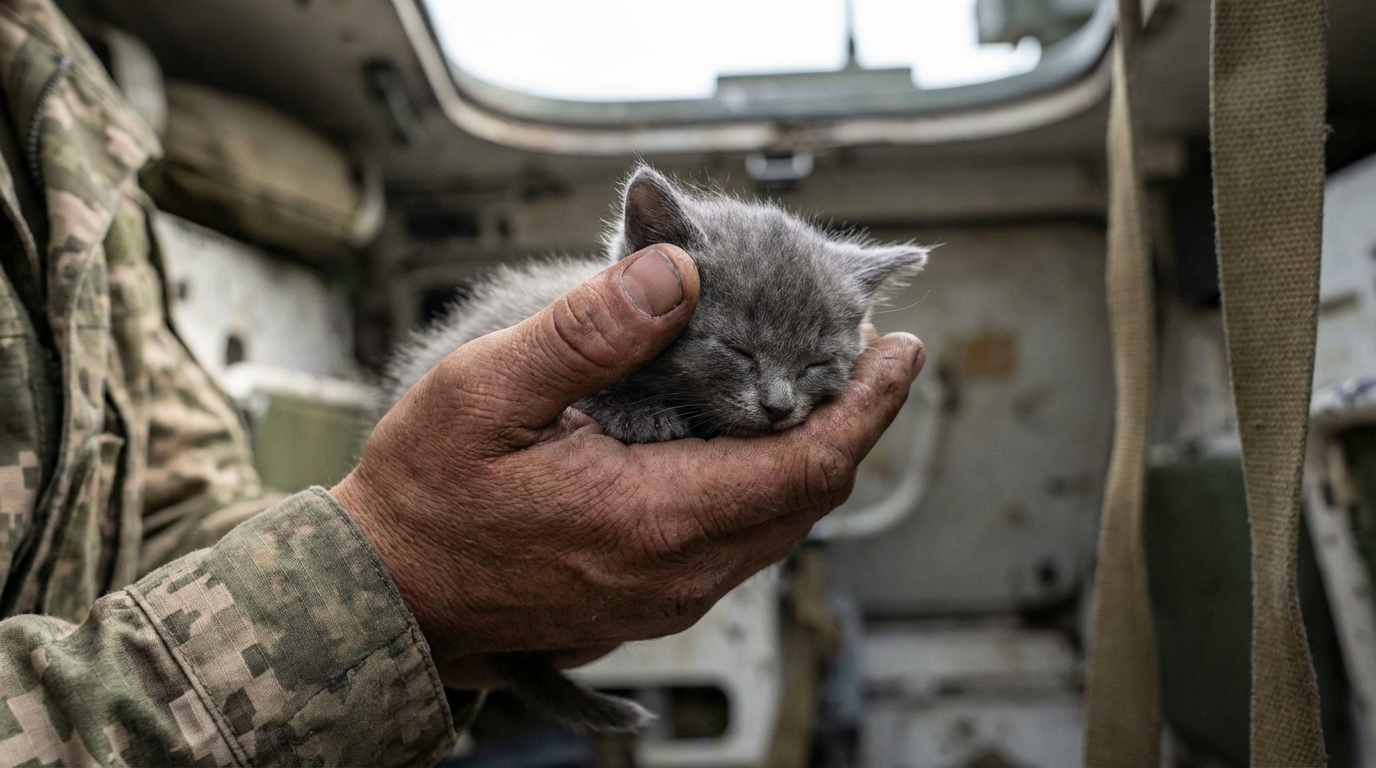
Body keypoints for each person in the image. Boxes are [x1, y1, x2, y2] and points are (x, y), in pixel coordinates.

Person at [0, 0, 926, 764]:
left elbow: (165, 496)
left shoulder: (58, 100)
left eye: (810, 372)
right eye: (741, 362)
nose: (777, 404)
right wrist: (398, 575)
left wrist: (455, 623)